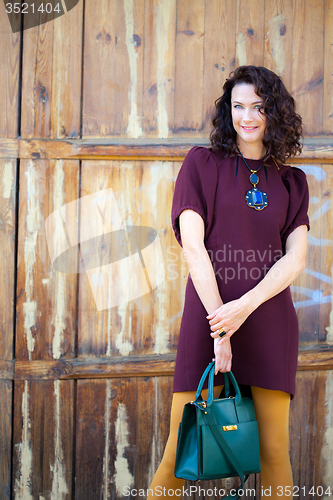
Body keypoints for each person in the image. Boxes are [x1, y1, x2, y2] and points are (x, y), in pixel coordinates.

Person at [148, 66, 310, 500]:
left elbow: (295, 259)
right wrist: (222, 324)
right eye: (238, 106)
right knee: (177, 454)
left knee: (275, 453)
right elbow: (194, 248)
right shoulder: (202, 164)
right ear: (228, 112)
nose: (247, 116)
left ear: (274, 112)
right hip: (209, 317)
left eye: (258, 107)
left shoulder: (293, 182)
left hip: (269, 321)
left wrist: (244, 307)